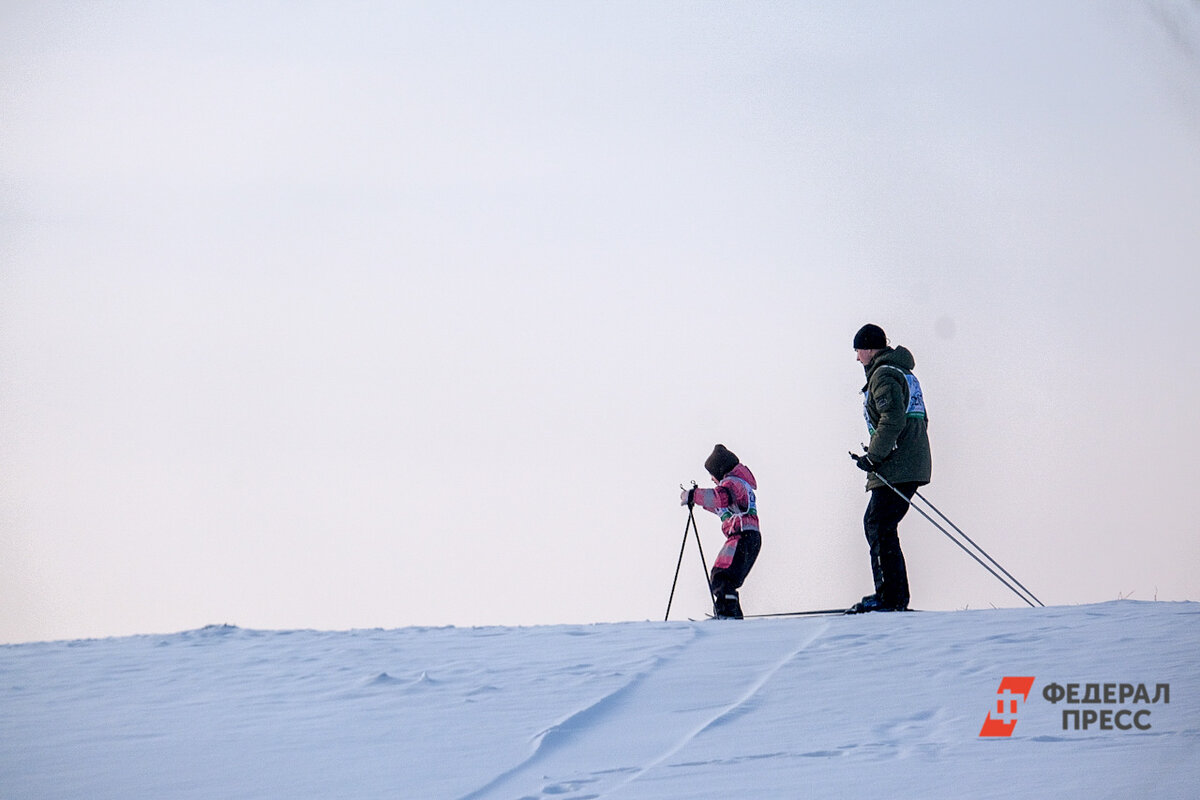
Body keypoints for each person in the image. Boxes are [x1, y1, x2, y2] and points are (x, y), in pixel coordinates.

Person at [848, 324, 932, 613]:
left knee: (878, 524)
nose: (857, 358)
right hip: (907, 461)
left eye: (858, 351)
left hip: (897, 466)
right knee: (881, 524)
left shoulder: (884, 374)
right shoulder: (903, 373)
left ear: (870, 349)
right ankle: (892, 594)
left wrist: (874, 456)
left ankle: (890, 597)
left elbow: (892, 419)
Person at [680, 444, 762, 619]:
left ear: (719, 470)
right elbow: (719, 504)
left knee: (722, 576)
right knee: (722, 575)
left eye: (711, 474)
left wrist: (695, 495)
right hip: (745, 536)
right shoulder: (736, 485)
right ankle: (730, 612)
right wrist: (696, 499)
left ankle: (728, 613)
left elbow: (719, 498)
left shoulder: (732, 483)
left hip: (742, 536)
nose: (711, 479)